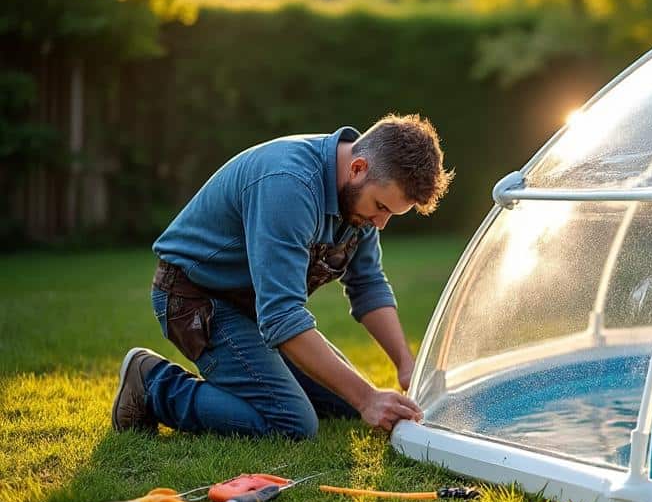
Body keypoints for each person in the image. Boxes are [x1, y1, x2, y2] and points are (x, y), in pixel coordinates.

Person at [110, 114, 452, 438]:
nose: (381, 223)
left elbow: (367, 284)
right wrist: (367, 398)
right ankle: (153, 383)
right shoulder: (289, 185)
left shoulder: (358, 195)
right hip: (195, 298)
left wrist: (406, 365)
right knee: (292, 421)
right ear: (358, 168)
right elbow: (282, 316)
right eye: (381, 207)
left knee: (343, 405)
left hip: (253, 306)